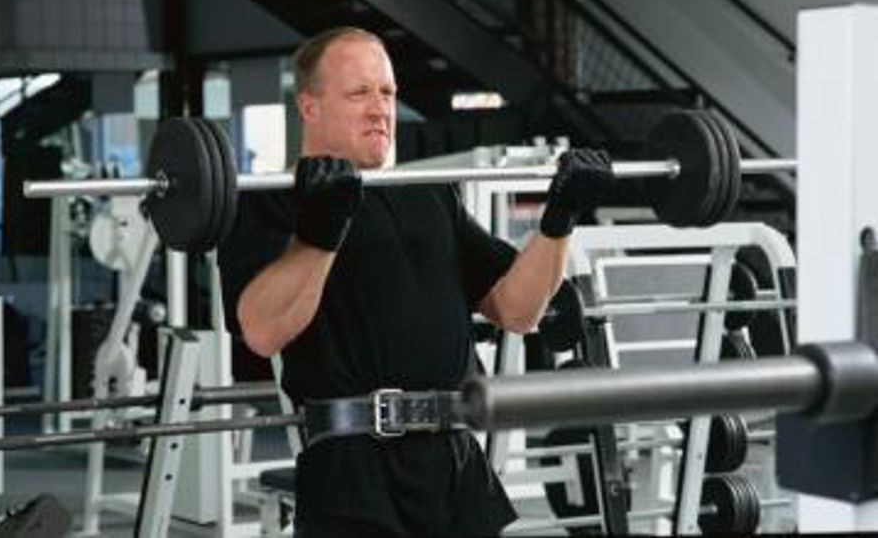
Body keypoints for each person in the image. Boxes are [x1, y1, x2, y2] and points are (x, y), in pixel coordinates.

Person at [219, 27, 613, 537]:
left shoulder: (428, 195)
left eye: (387, 92)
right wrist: (320, 232)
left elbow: (519, 310)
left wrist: (560, 218)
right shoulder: (267, 200)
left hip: (456, 469)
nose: (379, 109)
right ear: (309, 107)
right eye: (359, 93)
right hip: (352, 474)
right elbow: (262, 330)